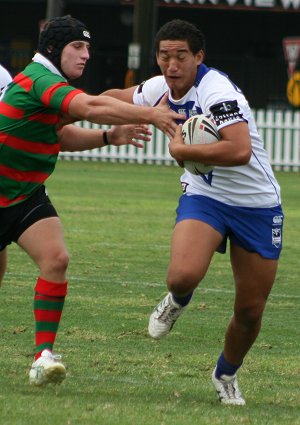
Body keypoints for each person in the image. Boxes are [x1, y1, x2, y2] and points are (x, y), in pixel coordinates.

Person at [102, 19, 284, 405]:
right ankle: (178, 300)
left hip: (257, 204)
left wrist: (183, 151)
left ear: (198, 57)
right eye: (164, 56)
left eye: (180, 56)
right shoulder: (158, 88)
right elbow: (117, 97)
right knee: (181, 275)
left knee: (250, 310)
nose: (171, 64)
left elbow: (239, 150)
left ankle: (226, 373)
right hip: (206, 194)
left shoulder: (216, 90)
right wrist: (65, 103)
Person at [0, 15, 184, 388]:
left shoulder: (49, 83)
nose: (86, 55)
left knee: (56, 259)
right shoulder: (40, 79)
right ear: (53, 49)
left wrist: (107, 139)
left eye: (88, 48)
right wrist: (150, 112)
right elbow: (87, 108)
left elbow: (61, 136)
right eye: (77, 47)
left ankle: (42, 356)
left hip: (25, 194)